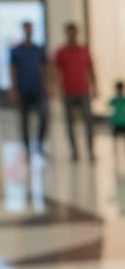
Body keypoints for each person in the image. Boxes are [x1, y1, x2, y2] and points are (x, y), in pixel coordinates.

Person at [54, 21, 96, 162]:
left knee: (88, 121)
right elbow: (55, 71)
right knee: (70, 123)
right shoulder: (61, 52)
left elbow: (91, 69)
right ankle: (74, 151)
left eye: (73, 32)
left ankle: (90, 150)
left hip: (83, 90)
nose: (71, 35)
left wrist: (94, 87)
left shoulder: (84, 50)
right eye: (69, 32)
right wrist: (56, 89)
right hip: (68, 91)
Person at [8, 20, 49, 160]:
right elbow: (12, 69)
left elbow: (43, 69)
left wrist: (46, 86)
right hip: (23, 89)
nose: (29, 31)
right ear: (24, 30)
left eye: (31, 29)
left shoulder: (38, 50)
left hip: (37, 88)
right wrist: (13, 88)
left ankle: (39, 144)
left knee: (43, 116)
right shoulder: (16, 50)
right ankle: (27, 148)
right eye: (27, 29)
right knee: (24, 120)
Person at [108, 80, 125, 155]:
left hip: (119, 121)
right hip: (122, 121)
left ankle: (123, 149)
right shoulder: (123, 99)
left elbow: (109, 103)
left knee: (120, 137)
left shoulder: (116, 99)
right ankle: (123, 149)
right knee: (123, 137)